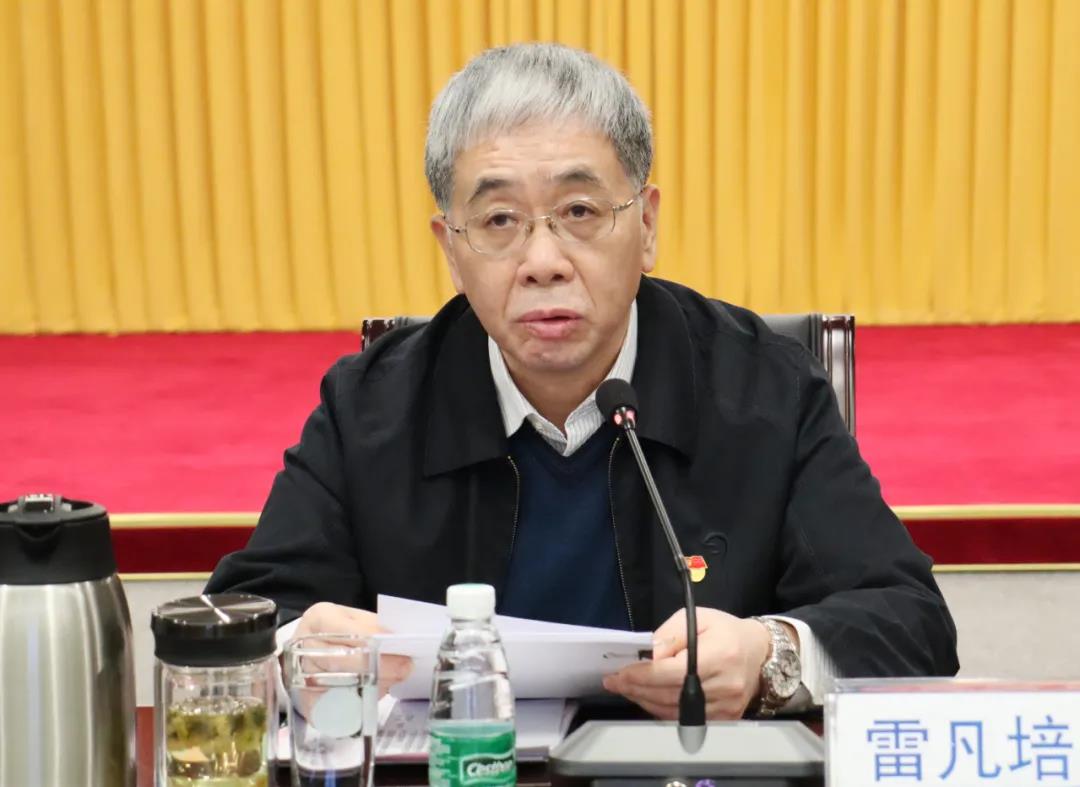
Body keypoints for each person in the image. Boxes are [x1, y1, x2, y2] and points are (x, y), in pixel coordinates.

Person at [206, 42, 958, 719]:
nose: (543, 261)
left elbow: (911, 622)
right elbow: (233, 626)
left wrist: (771, 656)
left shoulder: (765, 387)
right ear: (451, 249)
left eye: (579, 210)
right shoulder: (370, 406)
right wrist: (298, 651)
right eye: (499, 220)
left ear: (647, 225)